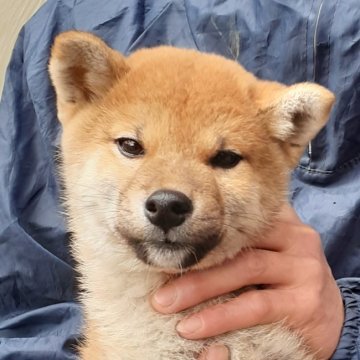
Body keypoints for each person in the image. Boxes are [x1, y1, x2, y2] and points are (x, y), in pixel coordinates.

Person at [0, 1, 359, 359]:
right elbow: (18, 309)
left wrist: (348, 327)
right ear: (82, 89)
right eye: (131, 145)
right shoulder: (74, 12)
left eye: (224, 158)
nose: (169, 195)